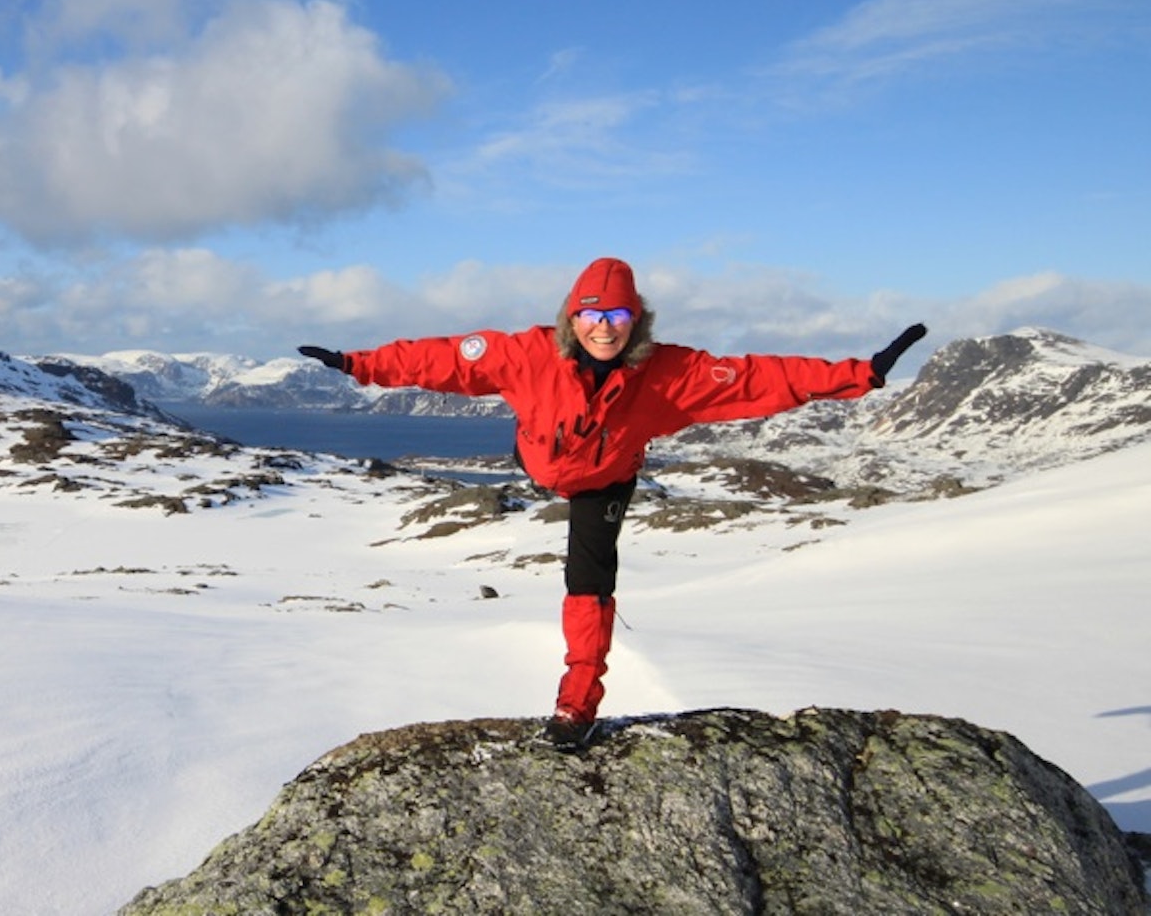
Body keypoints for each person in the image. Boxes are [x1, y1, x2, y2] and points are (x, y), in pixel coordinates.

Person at [299, 257, 926, 749]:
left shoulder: (670, 375)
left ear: (637, 322)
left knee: (589, 582)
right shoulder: (525, 355)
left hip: (605, 479)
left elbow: (763, 376)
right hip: (540, 459)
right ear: (572, 318)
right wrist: (360, 364)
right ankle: (539, 463)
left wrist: (860, 373)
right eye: (592, 314)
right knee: (538, 455)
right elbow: (438, 359)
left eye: (619, 316)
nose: (604, 326)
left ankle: (577, 707)